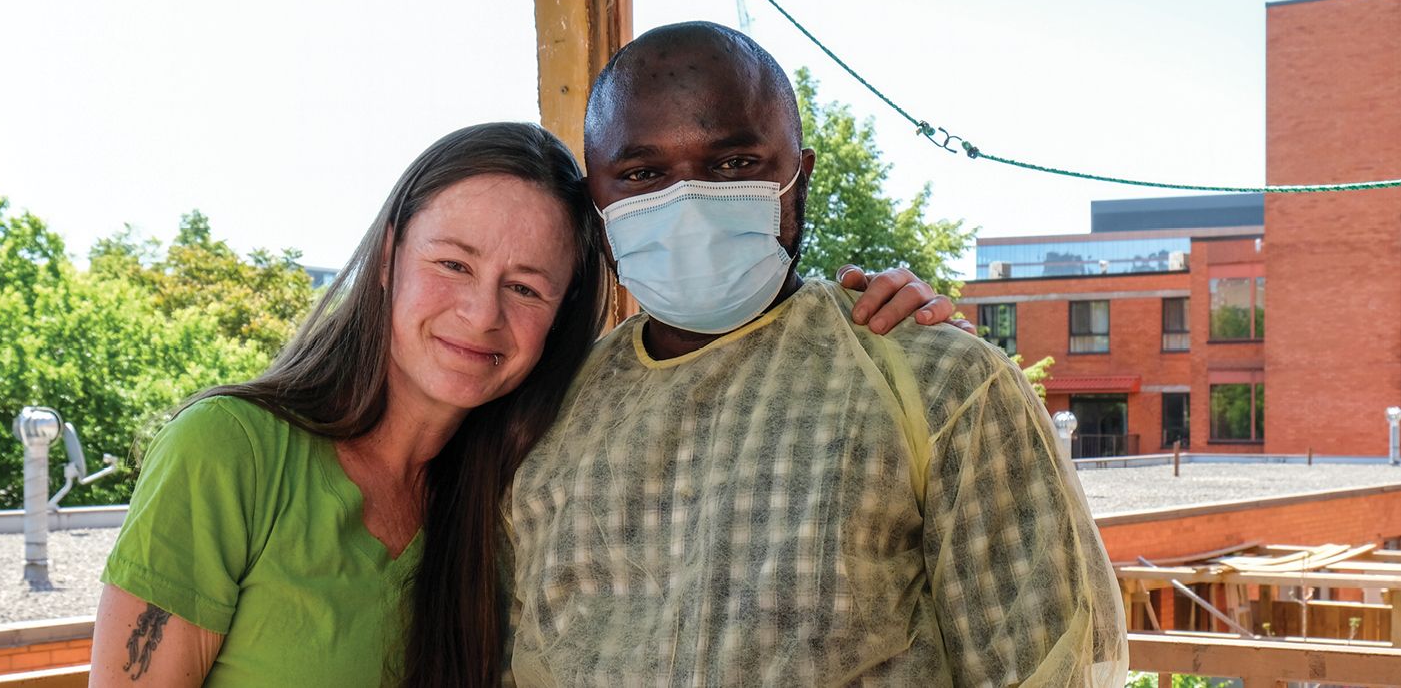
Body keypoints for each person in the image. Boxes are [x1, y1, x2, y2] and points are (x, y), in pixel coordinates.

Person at [89, 122, 959, 687]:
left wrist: (860, 313)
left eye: (527, 287)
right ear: (390, 256)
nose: (481, 315)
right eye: (454, 264)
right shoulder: (230, 451)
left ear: (563, 313)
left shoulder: (534, 483)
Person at [506, 22, 1129, 687]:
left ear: (796, 179)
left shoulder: (938, 383)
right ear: (595, 198)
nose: (685, 204)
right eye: (641, 173)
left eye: (733, 165)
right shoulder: (547, 413)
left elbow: (1048, 664)